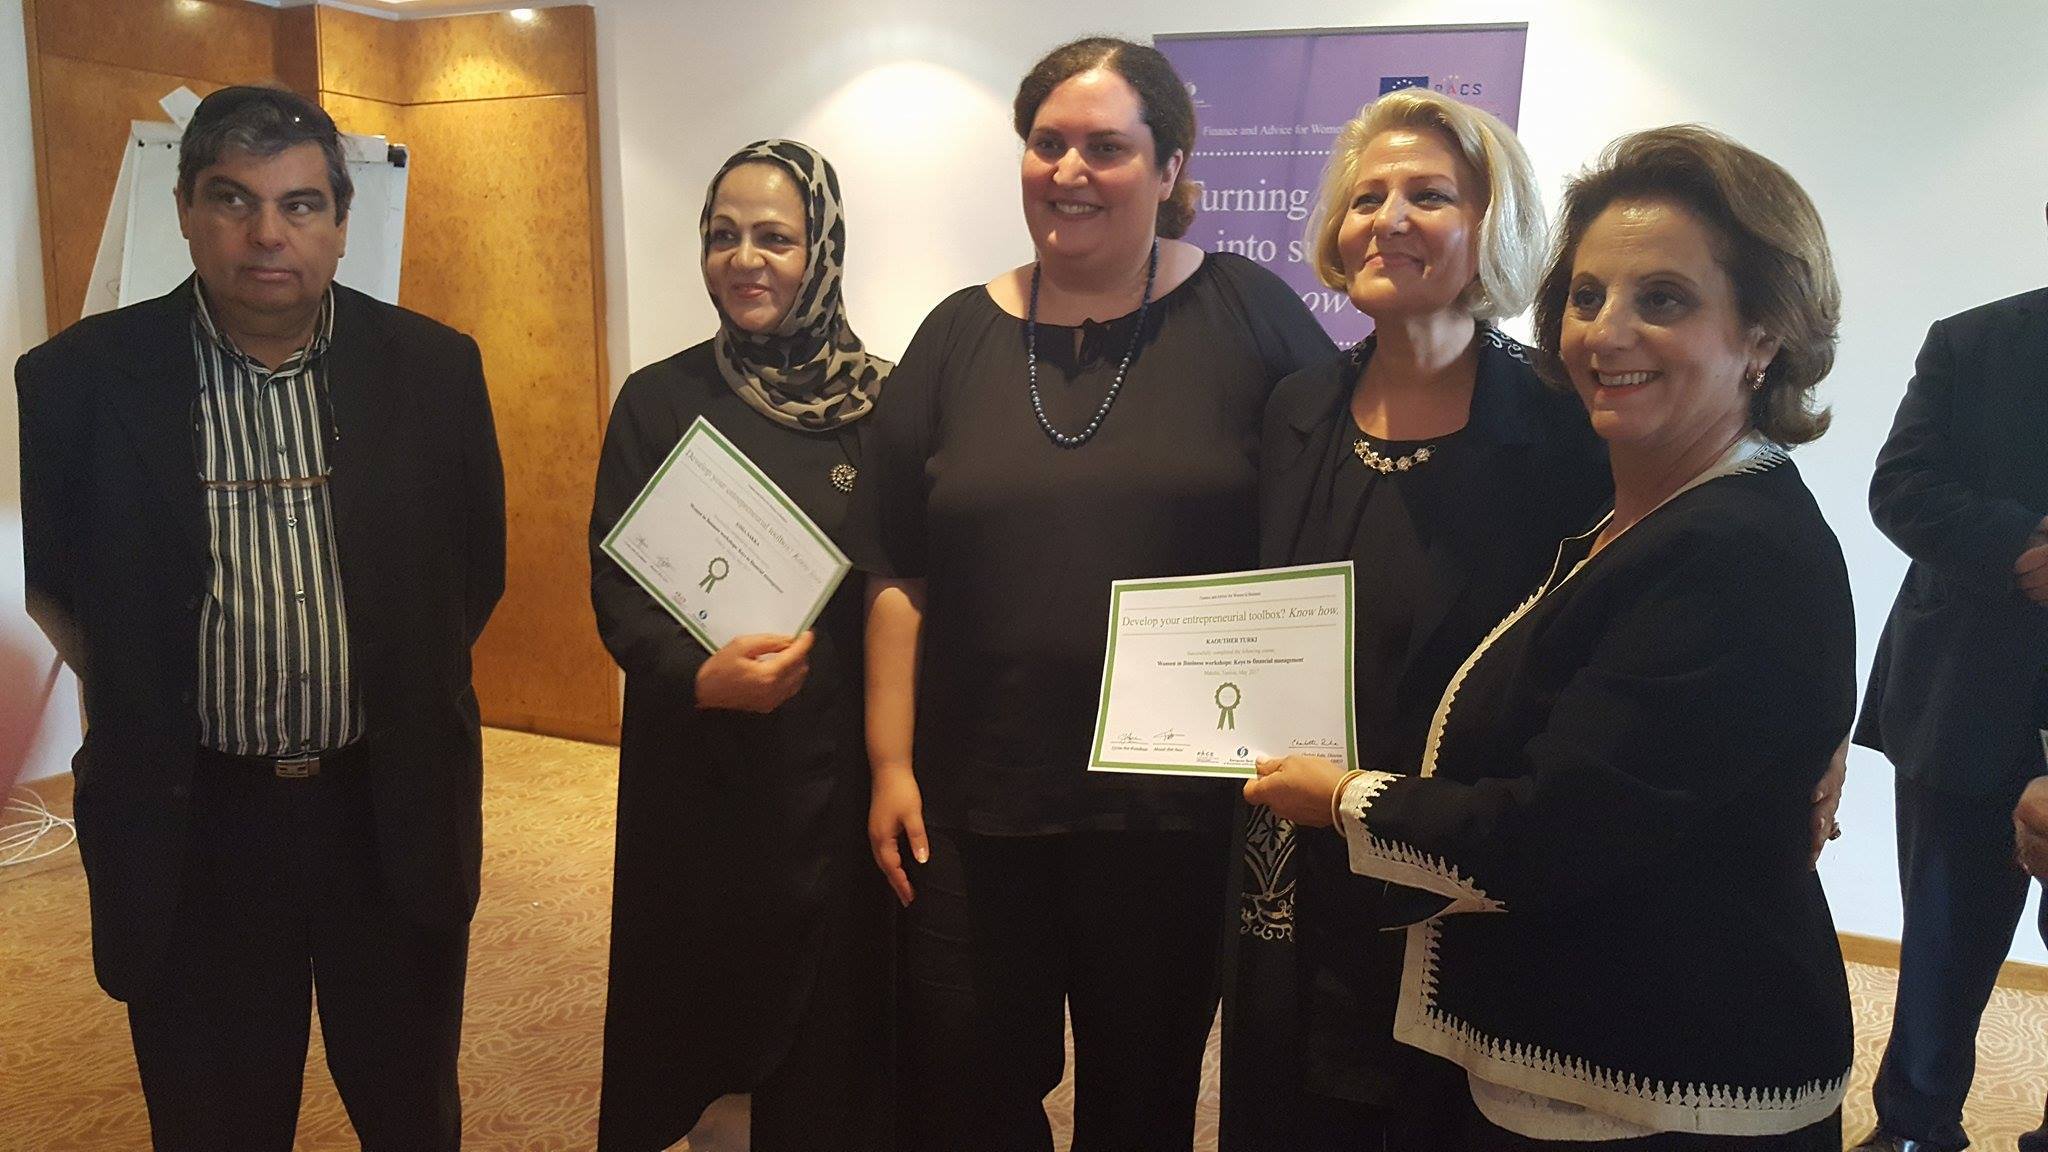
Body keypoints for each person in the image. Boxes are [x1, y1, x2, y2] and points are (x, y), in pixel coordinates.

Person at [1245, 125, 1856, 1148]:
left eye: (1663, 299)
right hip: (1539, 1016)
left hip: (1659, 1071)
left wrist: (1342, 797)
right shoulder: (1630, 503)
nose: (1607, 332)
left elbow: (1555, 833)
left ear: (1763, 335)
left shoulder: (1714, 533)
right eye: (1587, 296)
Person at [862, 36, 1334, 1151]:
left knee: (1141, 1099)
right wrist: (888, 765)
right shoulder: (953, 335)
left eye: (1107, 148)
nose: (1070, 171)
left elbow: (1332, 523)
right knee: (966, 1087)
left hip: (1171, 816)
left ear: (1169, 168)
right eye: (1047, 143)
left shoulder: (1250, 315)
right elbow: (896, 573)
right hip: (976, 802)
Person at [15, 85, 504, 1150]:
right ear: (186, 211)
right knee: (214, 1118)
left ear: (341, 222)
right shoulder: (74, 382)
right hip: (195, 820)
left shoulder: (434, 369)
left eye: (300, 203)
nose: (267, 233)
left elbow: (471, 577)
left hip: (385, 806)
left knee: (409, 1106)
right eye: (233, 199)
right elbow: (58, 583)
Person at [1221, 88, 1611, 1152]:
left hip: (1455, 856)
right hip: (1295, 848)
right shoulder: (1296, 409)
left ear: (1492, 229)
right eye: (1366, 198)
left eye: (1429, 196)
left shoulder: (1562, 423)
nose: (1387, 218)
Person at [591, 140, 895, 1152]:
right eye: (723, 236)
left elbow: (909, 591)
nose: (745, 259)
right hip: (700, 765)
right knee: (701, 1002)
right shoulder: (658, 399)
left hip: (837, 769)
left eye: (775, 237)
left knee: (831, 1015)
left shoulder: (884, 408)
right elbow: (615, 585)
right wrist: (697, 678)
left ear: (823, 251)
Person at [1850, 218, 2048, 1152]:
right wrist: (2021, 547)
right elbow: (1900, 489)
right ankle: (1915, 1130)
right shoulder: (1971, 342)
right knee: (1941, 946)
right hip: (1966, 697)